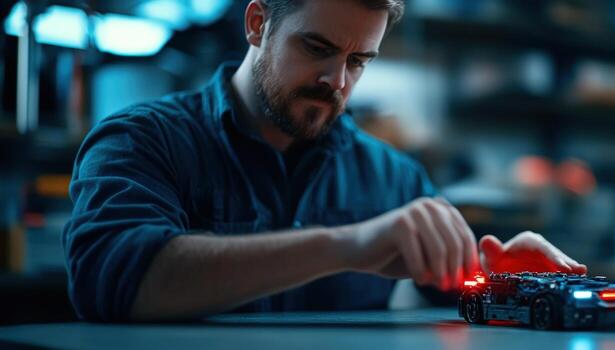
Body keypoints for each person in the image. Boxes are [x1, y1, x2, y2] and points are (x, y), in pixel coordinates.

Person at [62, 0, 587, 322]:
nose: (337, 81)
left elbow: (458, 287)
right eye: (317, 48)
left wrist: (505, 279)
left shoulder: (393, 178)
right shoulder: (141, 141)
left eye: (358, 61)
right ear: (256, 23)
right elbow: (113, 284)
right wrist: (348, 244)